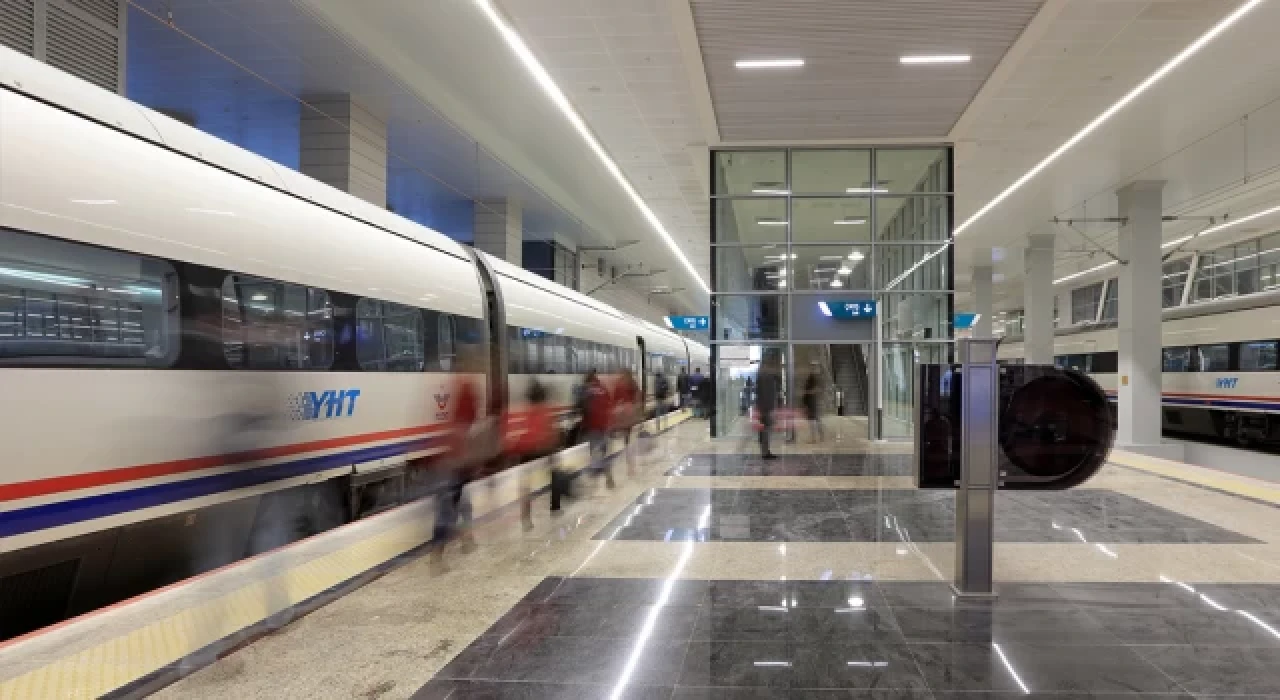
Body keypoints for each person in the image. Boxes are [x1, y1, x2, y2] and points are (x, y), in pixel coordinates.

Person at [432, 352, 483, 569]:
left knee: (462, 506)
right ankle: (437, 557)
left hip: (453, 462)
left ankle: (466, 541)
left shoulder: (457, 385)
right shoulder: (465, 388)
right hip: (456, 465)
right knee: (449, 512)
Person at [581, 369, 615, 488]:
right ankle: (607, 471)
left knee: (594, 448)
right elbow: (610, 403)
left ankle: (595, 472)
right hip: (605, 423)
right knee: (603, 448)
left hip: (593, 424)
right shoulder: (602, 388)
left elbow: (584, 408)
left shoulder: (587, 390)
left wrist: (584, 423)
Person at [613, 368, 641, 476]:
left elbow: (615, 399)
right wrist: (637, 411)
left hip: (622, 415)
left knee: (626, 439)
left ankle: (629, 464)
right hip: (629, 415)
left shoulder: (619, 383)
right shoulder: (632, 383)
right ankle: (630, 466)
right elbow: (638, 397)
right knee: (628, 439)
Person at [755, 360, 780, 459]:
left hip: (764, 407)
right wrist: (769, 408)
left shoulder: (761, 377)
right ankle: (765, 452)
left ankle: (765, 451)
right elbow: (767, 394)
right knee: (766, 430)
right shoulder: (766, 377)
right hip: (766, 408)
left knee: (764, 430)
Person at [803, 368, 824, 443]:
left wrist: (809, 393)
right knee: (815, 420)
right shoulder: (812, 379)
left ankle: (815, 438)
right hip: (811, 402)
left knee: (813, 420)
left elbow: (813, 391)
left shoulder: (813, 380)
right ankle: (819, 437)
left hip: (812, 403)